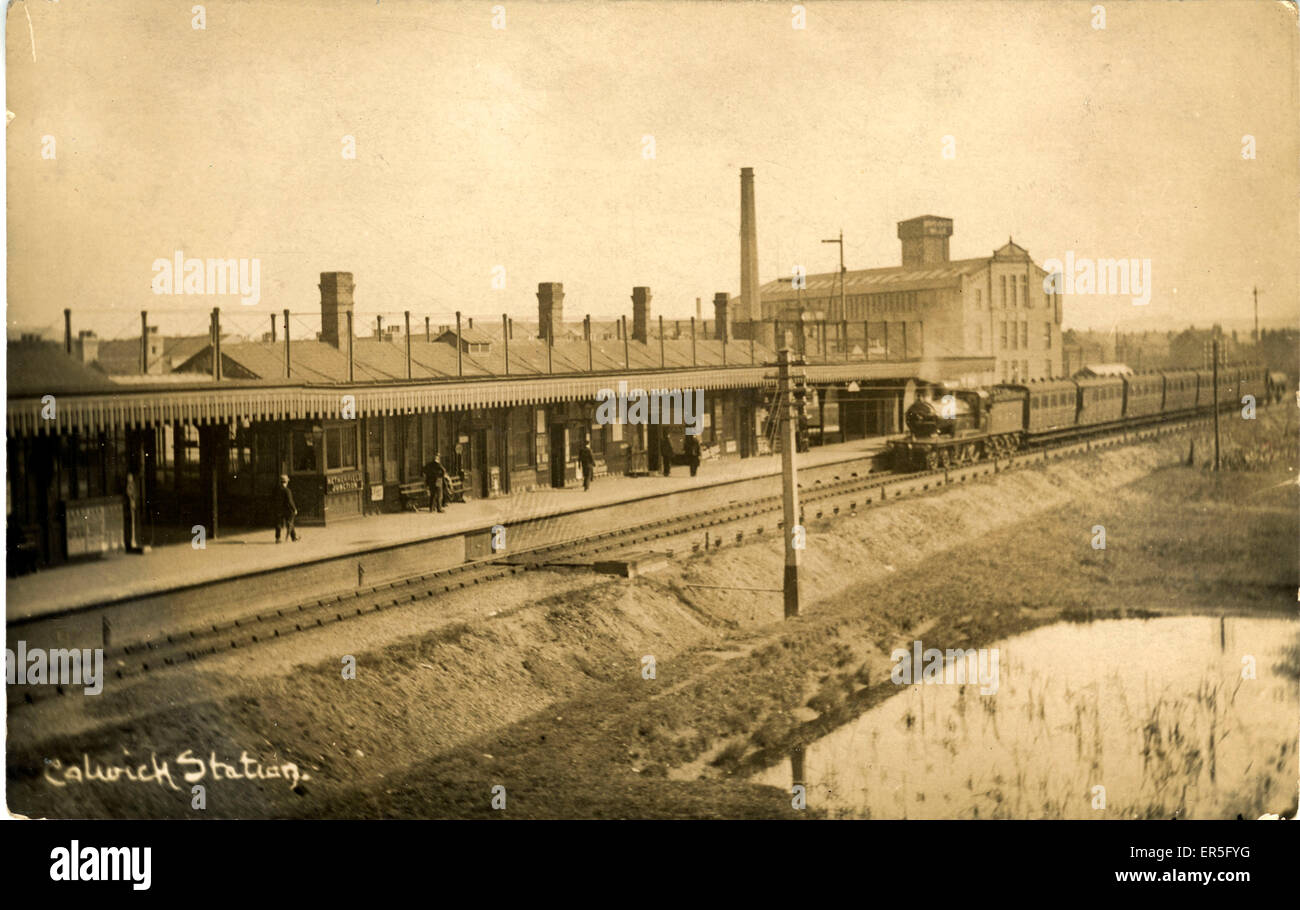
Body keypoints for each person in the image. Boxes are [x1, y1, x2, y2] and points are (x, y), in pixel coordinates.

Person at [275, 474, 299, 542]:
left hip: (278, 509)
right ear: (286, 481)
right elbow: (290, 501)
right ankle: (293, 537)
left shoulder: (276, 490)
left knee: (278, 523)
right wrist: (294, 509)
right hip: (286, 509)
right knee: (290, 522)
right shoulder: (287, 490)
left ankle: (278, 538)